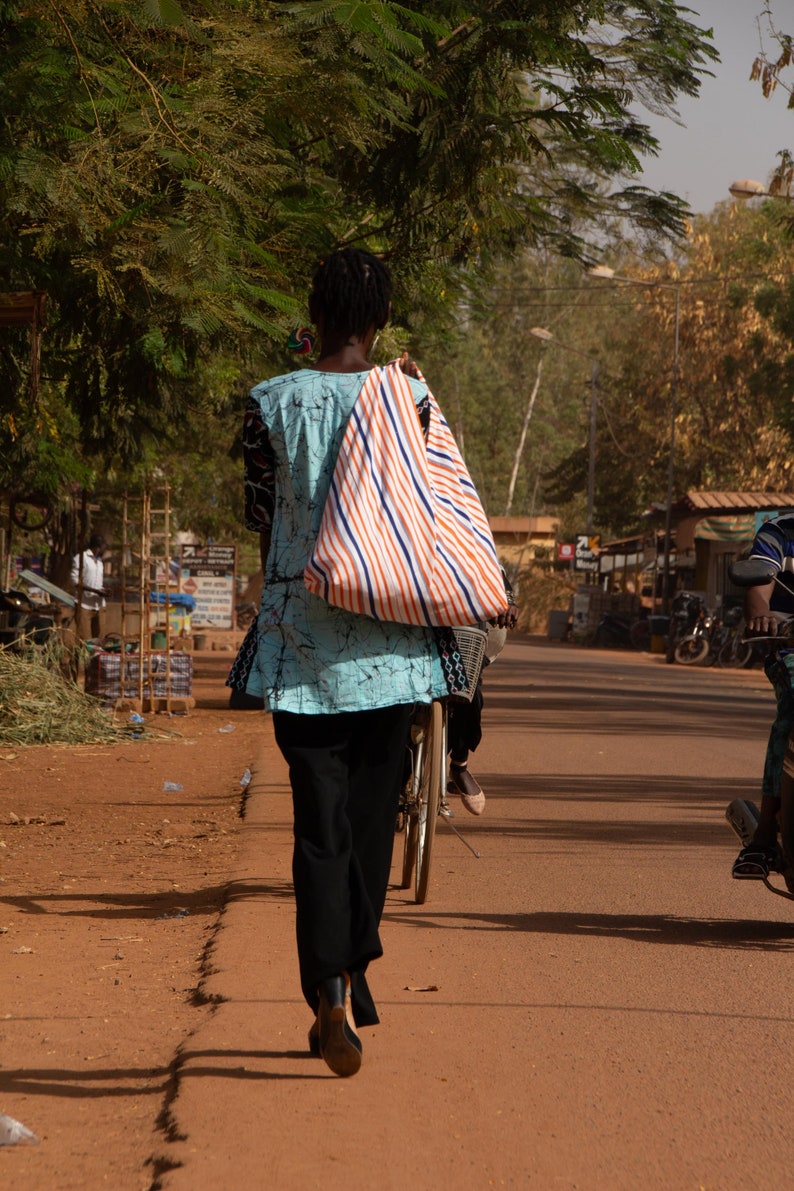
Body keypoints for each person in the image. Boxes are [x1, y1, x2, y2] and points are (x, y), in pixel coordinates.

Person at [238, 247, 461, 1077]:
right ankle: (352, 964)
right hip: (394, 645)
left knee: (316, 829)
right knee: (371, 821)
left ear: (315, 312)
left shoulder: (269, 404)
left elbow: (262, 514)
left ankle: (331, 987)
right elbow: (435, 507)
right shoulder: (410, 397)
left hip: (303, 648)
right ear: (379, 319)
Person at [731, 513, 794, 879]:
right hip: (790, 649)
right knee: (792, 707)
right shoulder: (779, 532)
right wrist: (764, 617)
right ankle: (766, 836)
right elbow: (758, 593)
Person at [447, 587, 519, 816]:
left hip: (462, 630)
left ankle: (459, 764)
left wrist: (506, 601)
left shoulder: (475, 551)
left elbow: (493, 570)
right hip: (413, 623)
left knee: (469, 694)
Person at [70, 533, 107, 641]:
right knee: (84, 638)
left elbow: (97, 581)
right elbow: (74, 580)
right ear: (97, 547)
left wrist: (103, 590)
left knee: (100, 637)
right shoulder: (81, 558)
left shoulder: (100, 561)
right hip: (84, 604)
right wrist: (92, 590)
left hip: (99, 604)